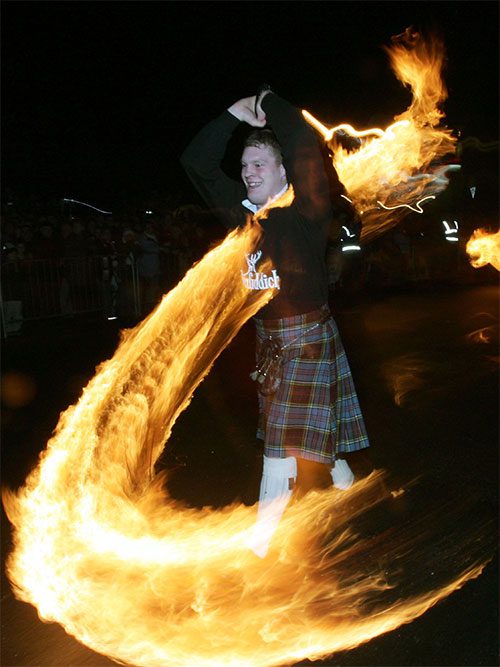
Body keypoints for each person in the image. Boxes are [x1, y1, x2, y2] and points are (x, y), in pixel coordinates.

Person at [181, 87, 370, 557]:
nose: (248, 173)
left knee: (280, 446)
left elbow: (304, 145)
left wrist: (271, 103)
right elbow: (197, 163)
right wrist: (230, 114)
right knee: (294, 432)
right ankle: (347, 477)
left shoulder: (307, 211)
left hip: (308, 339)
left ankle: (260, 545)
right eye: (245, 166)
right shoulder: (238, 214)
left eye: (259, 165)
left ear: (283, 171)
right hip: (270, 342)